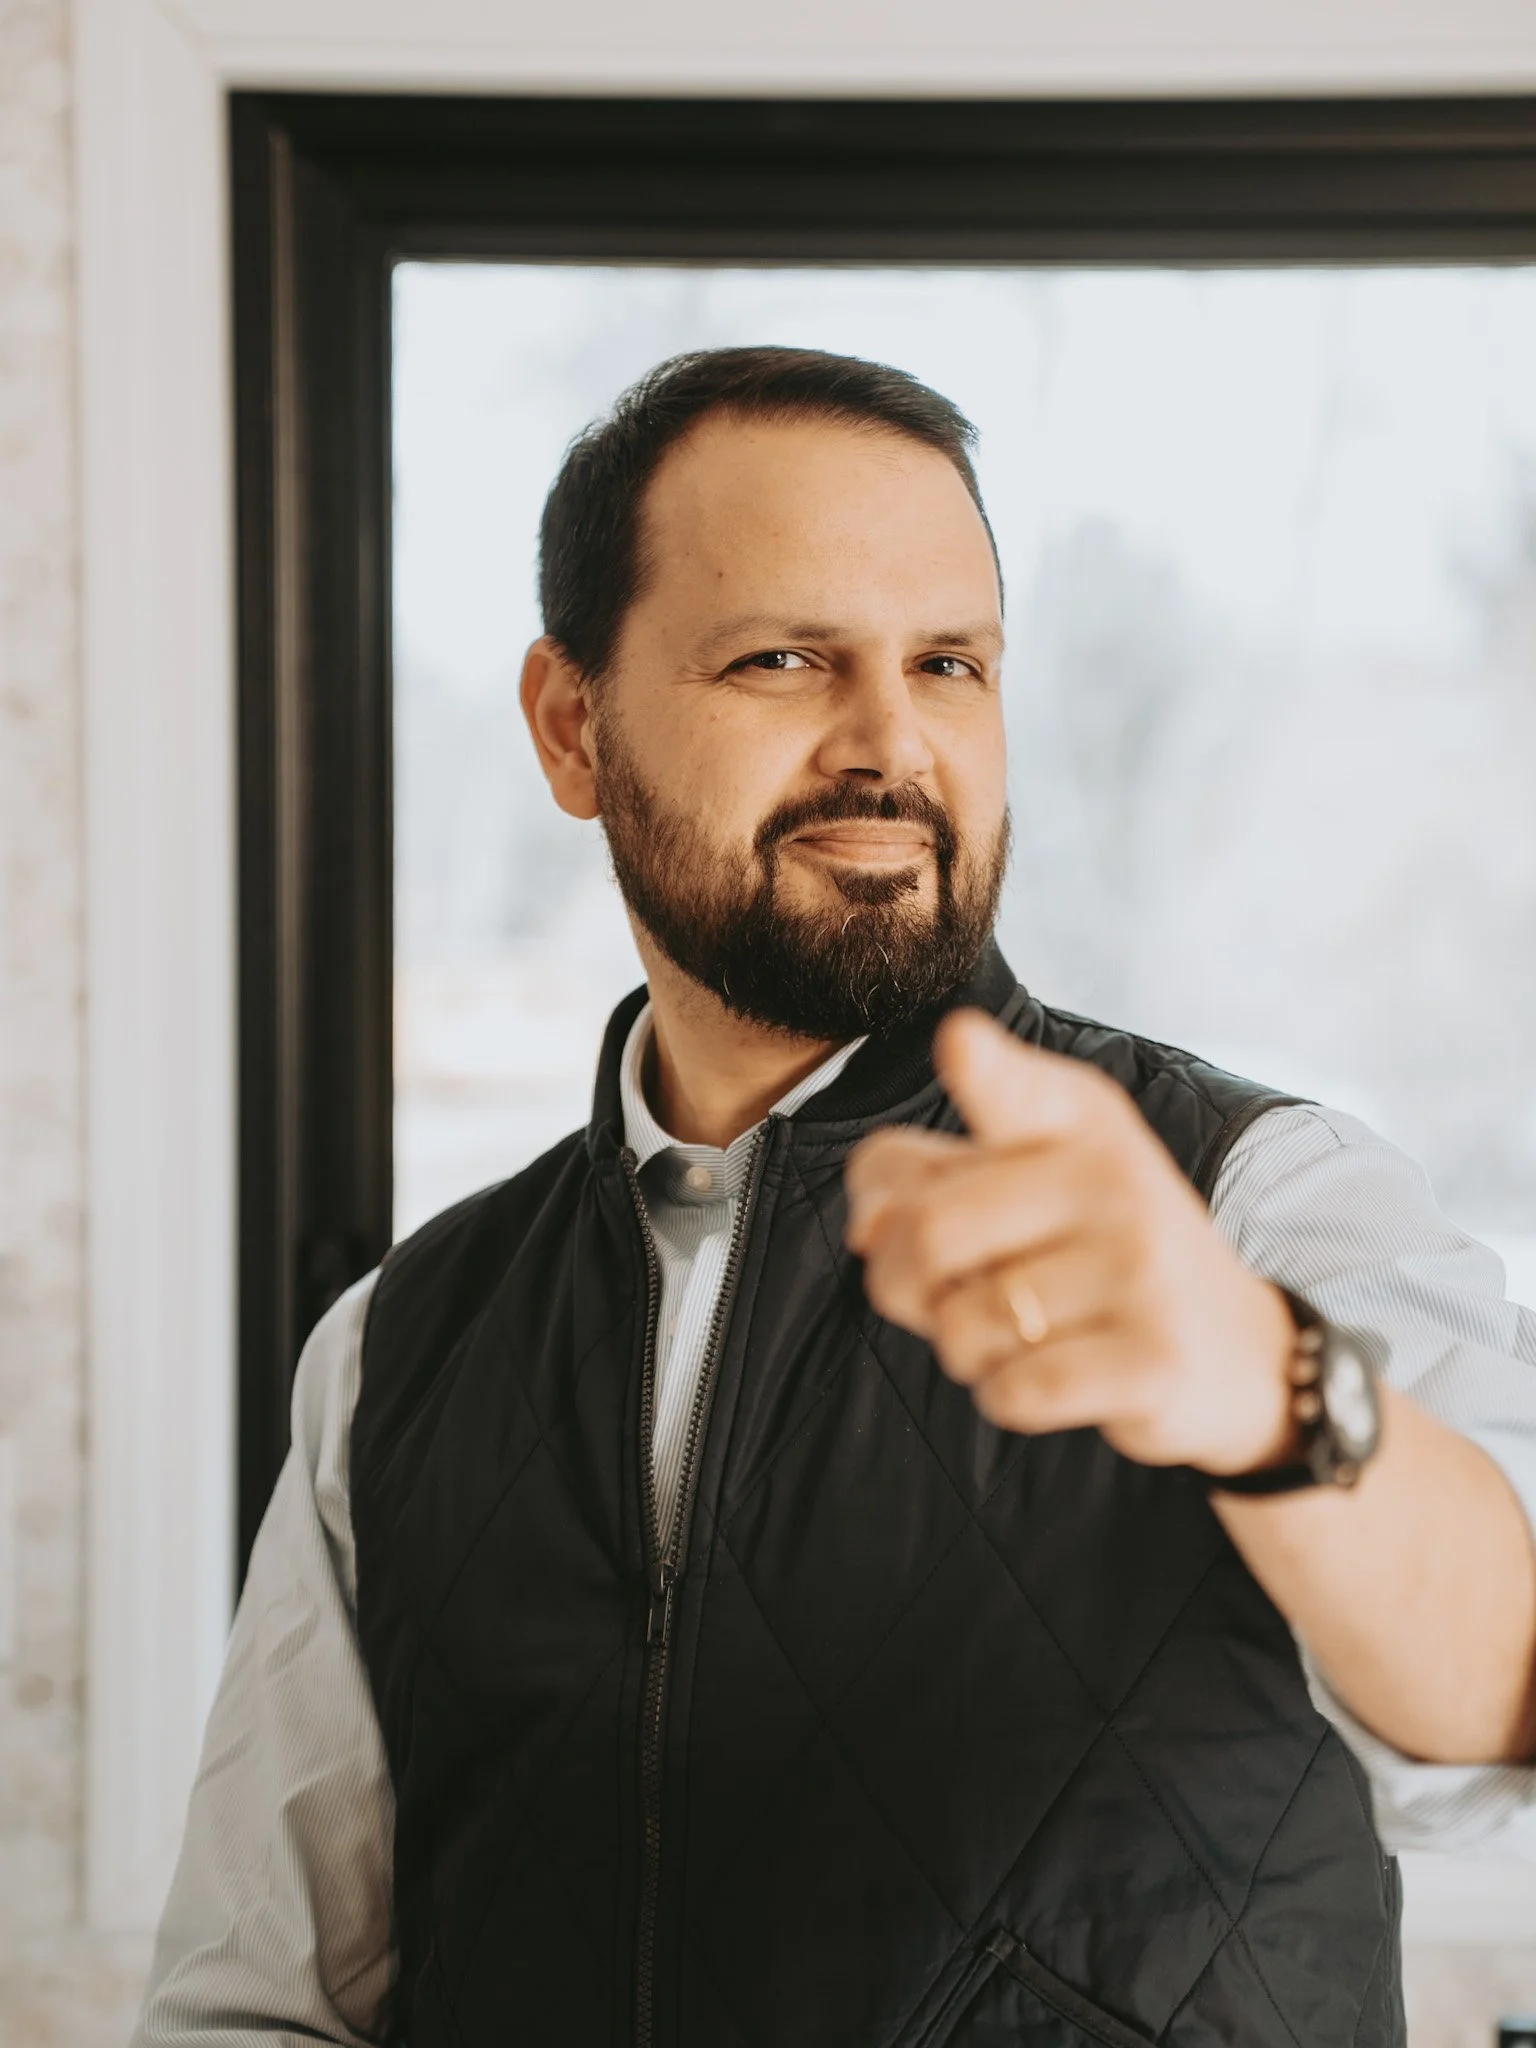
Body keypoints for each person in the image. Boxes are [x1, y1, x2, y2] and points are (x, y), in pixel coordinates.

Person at [135, 348, 1536, 2048]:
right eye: (785, 658)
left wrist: (1266, 1385)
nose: (890, 743)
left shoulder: (1251, 1204)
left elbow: (1506, 1686)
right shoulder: (395, 1349)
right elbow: (257, 2001)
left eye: (949, 663)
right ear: (575, 728)